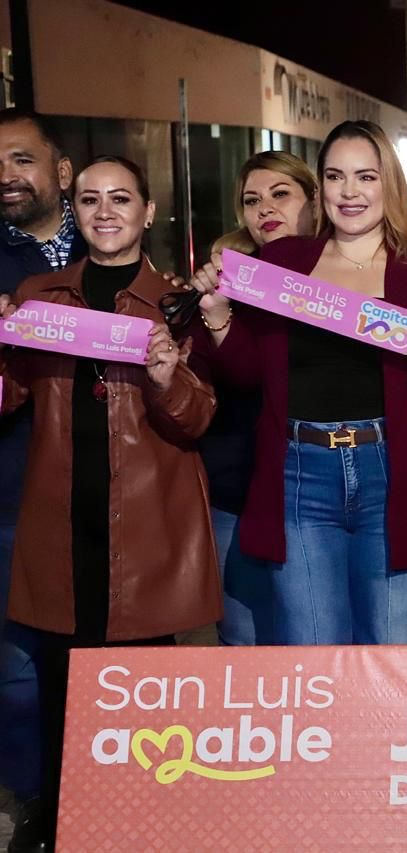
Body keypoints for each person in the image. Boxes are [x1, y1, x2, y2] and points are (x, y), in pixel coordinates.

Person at [0, 155, 219, 848]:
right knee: (61, 682)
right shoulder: (40, 296)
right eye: (91, 199)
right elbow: (8, 396)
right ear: (76, 209)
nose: (105, 212)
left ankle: (142, 822)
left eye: (121, 198)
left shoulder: (177, 301)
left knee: (140, 691)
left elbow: (197, 419)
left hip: (147, 526)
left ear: (147, 212)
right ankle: (62, 818)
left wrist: (166, 377)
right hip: (61, 518)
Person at [189, 120, 407, 645]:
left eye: (365, 176)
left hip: (393, 476)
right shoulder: (283, 262)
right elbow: (249, 373)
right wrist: (219, 315)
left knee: (392, 659)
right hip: (301, 477)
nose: (349, 191)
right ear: (321, 188)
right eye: (336, 176)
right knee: (315, 658)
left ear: (390, 183)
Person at [0, 108, 85, 852]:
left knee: (98, 658)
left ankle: (104, 794)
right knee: (17, 666)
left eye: (21, 159)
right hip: (8, 494)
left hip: (98, 492)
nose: (6, 176)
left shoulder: (110, 236)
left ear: (61, 171)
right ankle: (37, 800)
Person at [196, 152, 318, 647]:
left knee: (314, 641)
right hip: (239, 487)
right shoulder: (227, 276)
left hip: (318, 488)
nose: (265, 208)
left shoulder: (341, 275)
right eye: (252, 200)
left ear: (314, 201)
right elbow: (237, 376)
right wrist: (215, 313)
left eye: (280, 194)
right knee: (243, 638)